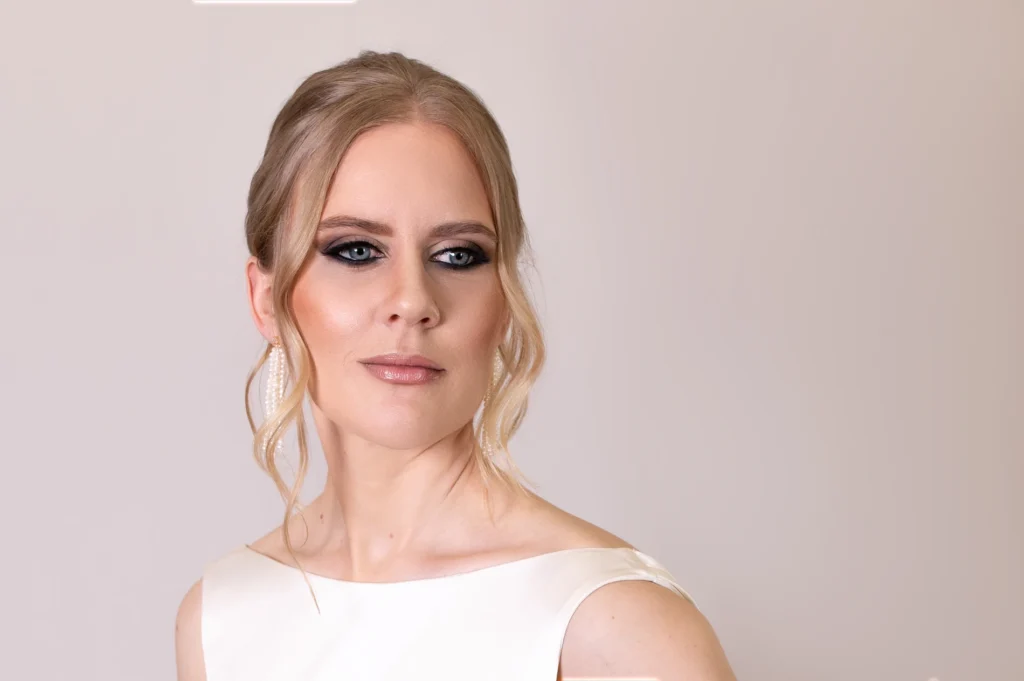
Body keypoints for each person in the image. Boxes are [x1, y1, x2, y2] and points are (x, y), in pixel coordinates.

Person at [174, 49, 737, 681]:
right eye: (356, 250)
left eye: (457, 256)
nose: (412, 301)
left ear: (502, 303)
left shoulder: (616, 628)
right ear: (265, 300)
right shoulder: (219, 620)